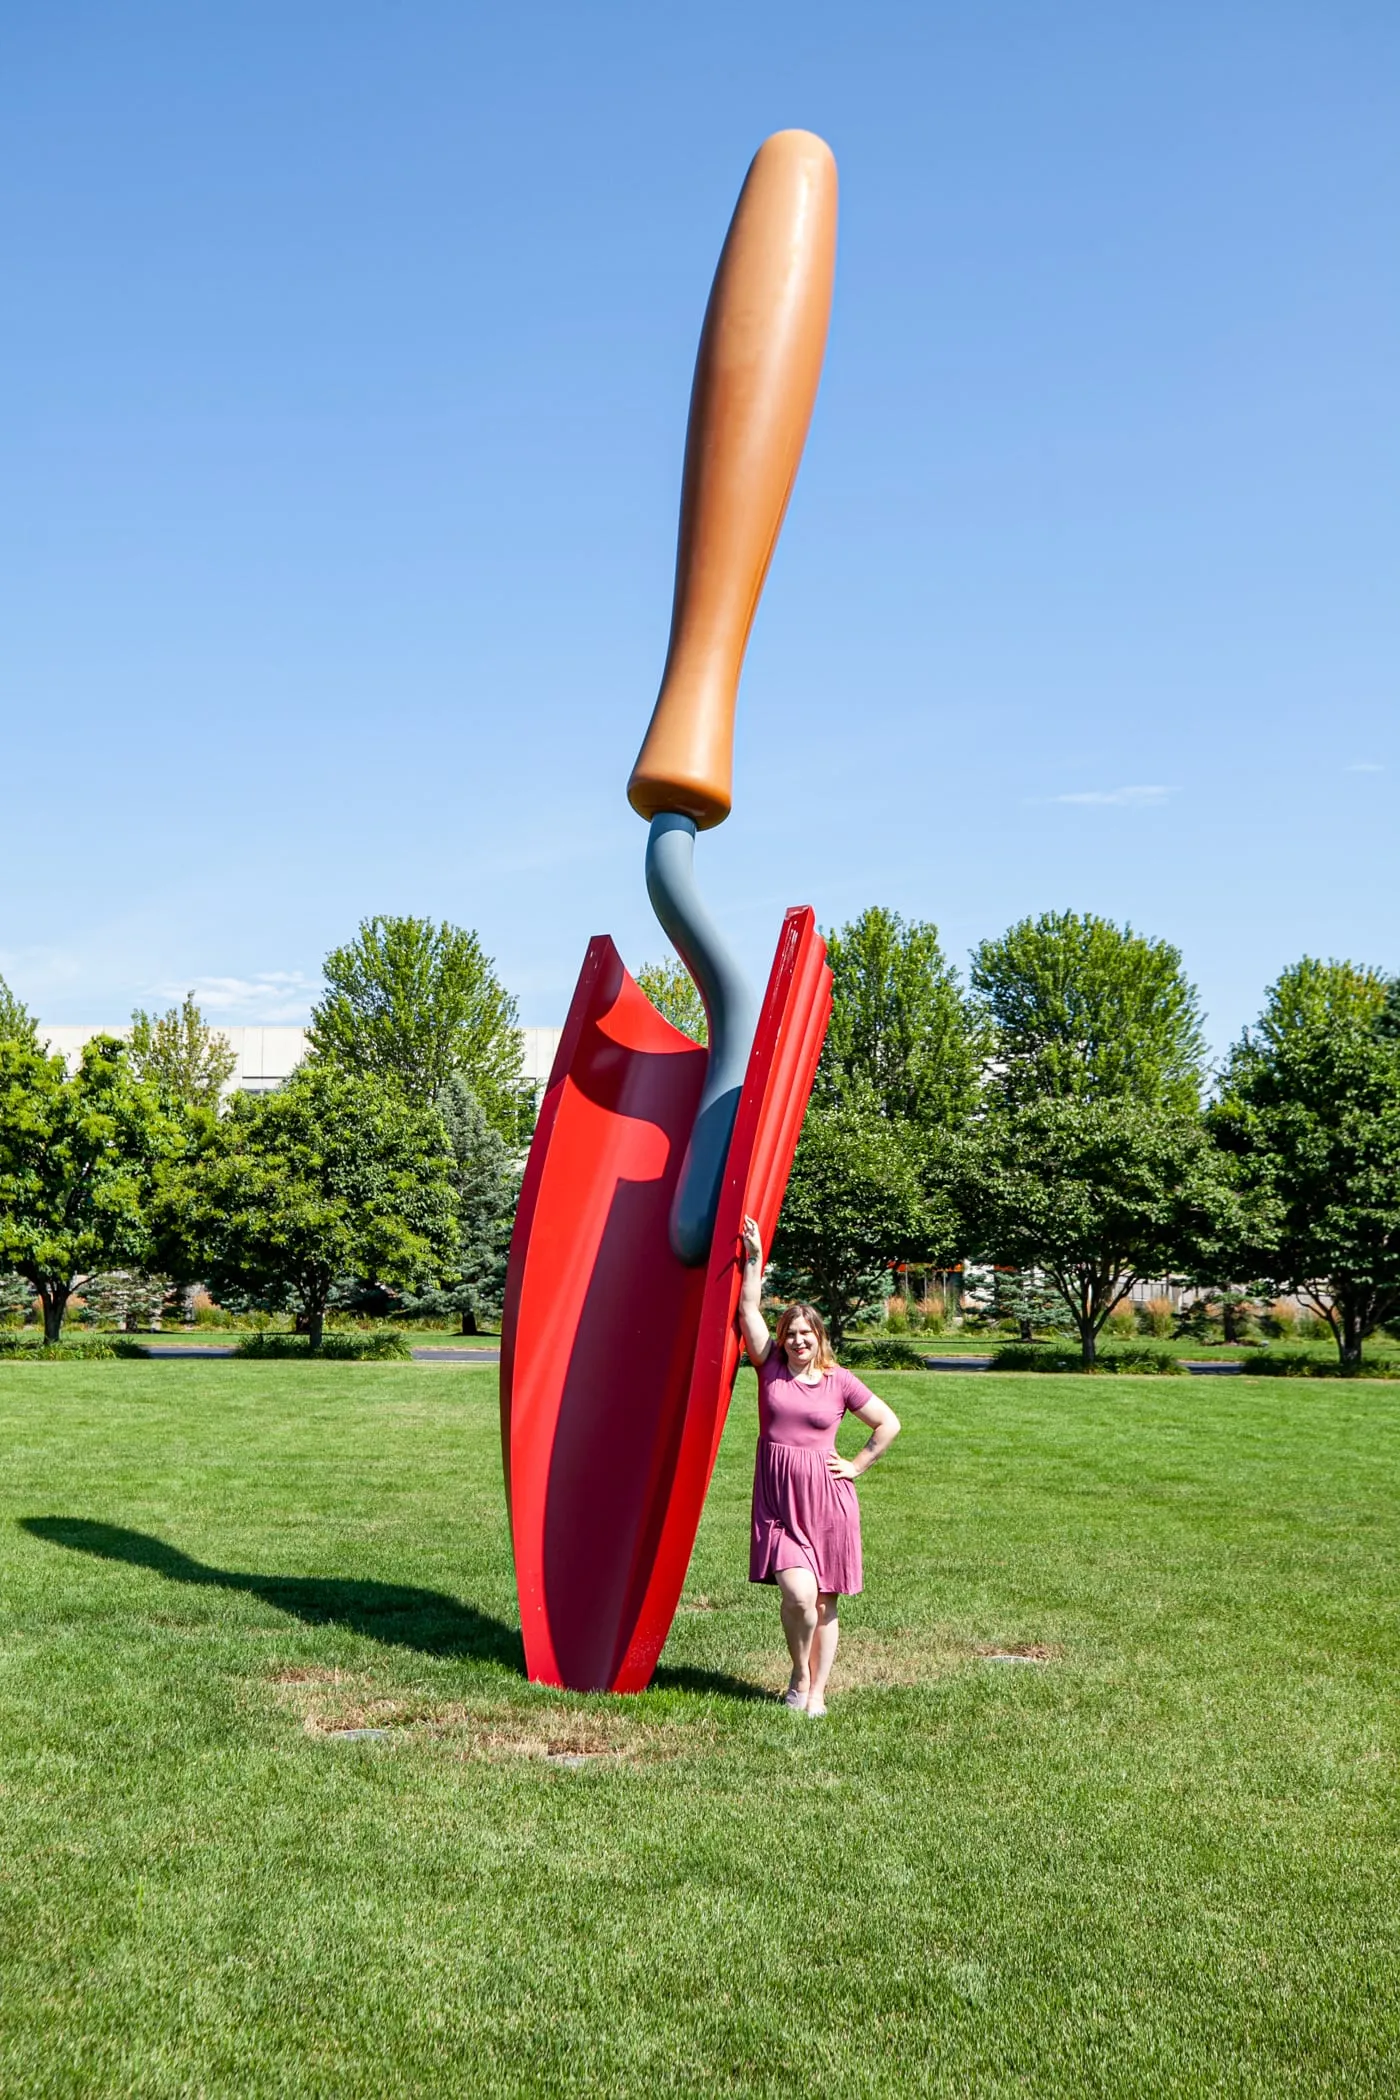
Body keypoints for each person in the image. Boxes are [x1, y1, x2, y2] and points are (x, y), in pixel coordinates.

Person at [736, 1215, 901, 1715]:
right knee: (799, 1597)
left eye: (806, 1334)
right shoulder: (769, 1368)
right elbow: (748, 1308)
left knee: (826, 1603)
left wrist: (856, 1465)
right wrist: (755, 1257)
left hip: (829, 1502)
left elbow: (888, 1424)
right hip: (779, 1500)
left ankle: (817, 1693)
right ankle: (798, 1672)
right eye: (791, 1334)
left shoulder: (839, 1380)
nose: (798, 1341)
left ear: (819, 1338)